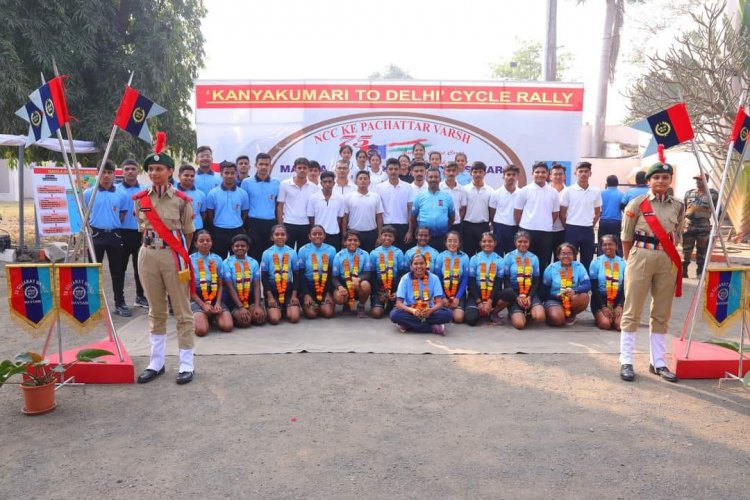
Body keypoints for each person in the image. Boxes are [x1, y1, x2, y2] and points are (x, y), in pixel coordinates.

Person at [133, 138, 196, 385]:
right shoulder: (140, 199)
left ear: (170, 172)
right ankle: (156, 363)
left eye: (159, 169)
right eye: (150, 169)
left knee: (182, 311)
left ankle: (186, 364)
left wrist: (179, 252)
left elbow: (189, 232)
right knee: (155, 310)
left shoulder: (181, 200)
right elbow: (141, 229)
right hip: (147, 255)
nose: (154, 173)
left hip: (173, 256)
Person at [619, 160, 685, 383]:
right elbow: (626, 237)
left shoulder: (678, 205)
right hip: (640, 256)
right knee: (632, 309)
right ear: (649, 181)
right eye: (656, 177)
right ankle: (626, 361)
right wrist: (631, 261)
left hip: (667, 260)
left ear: (670, 181)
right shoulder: (637, 203)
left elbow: (677, 232)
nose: (661, 181)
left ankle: (658, 362)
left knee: (661, 312)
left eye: (665, 178)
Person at [84, 159, 130, 317]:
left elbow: (122, 214)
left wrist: (111, 224)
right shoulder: (88, 193)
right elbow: (83, 214)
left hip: (115, 235)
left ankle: (120, 303)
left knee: (117, 271)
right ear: (97, 173)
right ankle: (92, 305)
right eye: (103, 172)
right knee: (93, 270)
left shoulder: (121, 194)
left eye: (110, 172)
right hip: (95, 235)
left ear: (114, 174)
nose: (106, 175)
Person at [389, 253, 453, 335]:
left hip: (428, 310)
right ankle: (432, 328)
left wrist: (431, 310)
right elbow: (399, 303)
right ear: (411, 266)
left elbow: (439, 303)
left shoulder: (434, 278)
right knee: (394, 315)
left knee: (448, 314)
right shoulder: (405, 279)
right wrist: (412, 310)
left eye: (421, 263)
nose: (419, 266)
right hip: (410, 310)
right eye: (415, 264)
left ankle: (408, 325)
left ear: (426, 264)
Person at [514, 161, 560, 271]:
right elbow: (517, 212)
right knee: (526, 262)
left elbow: (555, 214)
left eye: (543, 172)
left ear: (548, 174)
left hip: (546, 232)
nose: (540, 175)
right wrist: (526, 225)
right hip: (527, 231)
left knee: (543, 262)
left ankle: (540, 288)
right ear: (532, 173)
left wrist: (545, 223)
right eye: (537, 172)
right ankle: (525, 287)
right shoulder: (524, 190)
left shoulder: (553, 192)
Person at [117, 158, 148, 309]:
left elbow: (148, 214)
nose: (130, 171)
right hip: (121, 234)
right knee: (120, 268)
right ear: (122, 171)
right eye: (127, 169)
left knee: (140, 267)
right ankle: (120, 300)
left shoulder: (145, 190)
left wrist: (145, 232)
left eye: (133, 169)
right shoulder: (116, 190)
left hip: (140, 234)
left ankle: (140, 296)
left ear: (138, 171)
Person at [190, 230, 234, 335]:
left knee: (227, 326)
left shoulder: (217, 259)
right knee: (201, 331)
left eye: (208, 240)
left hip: (214, 295)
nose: (205, 243)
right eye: (201, 241)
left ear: (211, 242)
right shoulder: (189, 260)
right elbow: (187, 287)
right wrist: (202, 305)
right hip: (197, 296)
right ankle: (201, 316)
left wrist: (218, 303)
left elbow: (220, 284)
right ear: (196, 243)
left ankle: (210, 315)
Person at [560, 161, 602, 270]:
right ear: (575, 173)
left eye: (586, 171)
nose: (583, 174)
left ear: (590, 174)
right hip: (571, 229)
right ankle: (569, 283)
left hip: (587, 230)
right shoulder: (568, 191)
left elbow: (597, 212)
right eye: (581, 171)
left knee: (587, 260)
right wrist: (568, 226)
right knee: (569, 259)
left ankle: (584, 284)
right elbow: (562, 213)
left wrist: (591, 225)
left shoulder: (596, 191)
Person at [241, 153, 280, 263]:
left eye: (266, 164)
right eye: (261, 164)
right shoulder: (246, 182)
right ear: (255, 165)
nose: (263, 167)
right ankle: (255, 279)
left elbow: (278, 204)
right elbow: (244, 206)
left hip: (271, 223)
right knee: (254, 255)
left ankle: (268, 280)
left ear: (270, 166)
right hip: (253, 223)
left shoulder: (276, 183)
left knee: (270, 256)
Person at [465, 232, 511, 326]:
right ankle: (481, 310)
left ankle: (493, 313)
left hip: (493, 293)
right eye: (484, 241)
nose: (487, 244)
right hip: (477, 293)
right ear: (480, 243)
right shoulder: (474, 259)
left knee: (510, 292)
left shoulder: (500, 260)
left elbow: (498, 283)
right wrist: (479, 302)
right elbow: (472, 282)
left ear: (495, 243)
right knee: (471, 319)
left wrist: (490, 301)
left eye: (490, 241)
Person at [206, 161, 249, 258]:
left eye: (232, 173)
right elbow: (210, 213)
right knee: (219, 259)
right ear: (221, 174)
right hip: (219, 231)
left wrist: (237, 222)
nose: (229, 176)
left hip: (237, 230)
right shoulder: (213, 193)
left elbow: (244, 212)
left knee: (238, 259)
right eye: (226, 173)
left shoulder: (243, 193)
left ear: (236, 174)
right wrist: (217, 224)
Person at [503, 230, 545, 330]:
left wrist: (529, 296)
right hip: (514, 292)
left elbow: (536, 281)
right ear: (515, 243)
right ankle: (516, 312)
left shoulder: (534, 258)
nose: (523, 244)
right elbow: (506, 280)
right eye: (520, 241)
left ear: (529, 243)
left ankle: (528, 312)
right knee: (520, 325)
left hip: (529, 291)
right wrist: (517, 297)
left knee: (539, 317)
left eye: (525, 242)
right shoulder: (508, 257)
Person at [541, 243, 591, 327]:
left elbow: (587, 285)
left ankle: (571, 313)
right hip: (554, 299)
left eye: (569, 253)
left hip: (571, 298)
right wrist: (556, 296)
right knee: (558, 320)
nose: (566, 256)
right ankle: (554, 314)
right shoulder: (551, 268)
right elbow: (544, 292)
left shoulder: (579, 266)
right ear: (558, 255)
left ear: (574, 255)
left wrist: (574, 291)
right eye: (563, 253)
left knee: (584, 296)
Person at [261, 225, 301, 324]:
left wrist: (294, 296)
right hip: (272, 289)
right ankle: (277, 308)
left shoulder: (292, 252)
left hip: (287, 289)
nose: (280, 237)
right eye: (276, 234)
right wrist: (270, 297)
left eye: (282, 234)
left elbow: (296, 275)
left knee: (294, 318)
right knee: (274, 319)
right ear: (272, 237)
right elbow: (264, 277)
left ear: (287, 237)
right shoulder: (267, 253)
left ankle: (285, 308)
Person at [223, 233, 265, 328]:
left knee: (260, 319)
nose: (240, 248)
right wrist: (241, 307)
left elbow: (256, 286)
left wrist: (257, 305)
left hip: (249, 298)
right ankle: (232, 315)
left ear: (247, 248)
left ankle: (251, 310)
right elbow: (230, 287)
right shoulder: (226, 263)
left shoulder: (253, 262)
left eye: (243, 246)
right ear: (232, 248)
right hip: (233, 299)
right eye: (237, 246)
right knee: (244, 321)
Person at [682, 173, 718, 278]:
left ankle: (700, 272)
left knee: (702, 250)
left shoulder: (713, 195)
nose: (698, 181)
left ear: (706, 181)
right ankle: (684, 272)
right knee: (686, 250)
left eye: (701, 180)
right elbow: (685, 208)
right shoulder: (689, 193)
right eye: (697, 179)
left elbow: (717, 209)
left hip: (703, 226)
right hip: (689, 226)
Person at [277, 157, 318, 250]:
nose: (302, 170)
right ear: (294, 169)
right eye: (299, 168)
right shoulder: (285, 184)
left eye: (304, 168)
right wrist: (280, 225)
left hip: (306, 225)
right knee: (286, 254)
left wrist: (313, 226)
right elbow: (280, 206)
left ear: (308, 169)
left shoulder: (313, 187)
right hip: (288, 223)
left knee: (303, 254)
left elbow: (315, 208)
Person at [297, 225, 337, 319]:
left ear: (324, 235)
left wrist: (328, 292)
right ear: (309, 236)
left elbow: (331, 272)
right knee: (312, 314)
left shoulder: (331, 250)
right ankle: (313, 304)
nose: (317, 236)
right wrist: (306, 294)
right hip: (309, 286)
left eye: (320, 234)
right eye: (314, 234)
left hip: (324, 285)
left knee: (328, 313)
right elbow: (300, 274)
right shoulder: (303, 250)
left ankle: (323, 304)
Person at [410, 168, 455, 251]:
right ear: (426, 178)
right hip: (424, 238)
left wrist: (445, 228)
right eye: (431, 177)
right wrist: (419, 230)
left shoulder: (447, 197)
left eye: (436, 177)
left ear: (440, 179)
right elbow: (413, 217)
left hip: (442, 237)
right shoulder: (419, 196)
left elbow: (452, 217)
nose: (433, 179)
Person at [375, 158, 415, 251]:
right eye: (391, 169)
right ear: (386, 170)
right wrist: (379, 233)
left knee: (401, 255)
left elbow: (410, 210)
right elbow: (378, 213)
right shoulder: (379, 187)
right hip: (386, 226)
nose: (393, 172)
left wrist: (410, 231)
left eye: (396, 169)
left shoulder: (408, 187)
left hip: (403, 227)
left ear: (400, 170)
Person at [332, 230, 372, 317]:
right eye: (350, 240)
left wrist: (359, 279)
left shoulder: (365, 254)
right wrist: (340, 287)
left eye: (355, 240)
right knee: (339, 297)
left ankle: (361, 306)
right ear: (345, 242)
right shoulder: (339, 255)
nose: (352, 242)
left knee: (366, 285)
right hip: (344, 283)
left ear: (359, 242)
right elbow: (334, 277)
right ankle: (346, 305)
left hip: (358, 283)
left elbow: (368, 274)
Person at [589, 234, 625, 331]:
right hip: (600, 300)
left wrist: (620, 306)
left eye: (611, 244)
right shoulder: (595, 262)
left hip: (618, 299)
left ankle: (616, 317)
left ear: (616, 246)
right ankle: (602, 316)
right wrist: (603, 306)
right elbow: (594, 287)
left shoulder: (623, 263)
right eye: (604, 245)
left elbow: (627, 287)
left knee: (620, 326)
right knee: (606, 325)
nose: (607, 247)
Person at [369, 226, 407, 319]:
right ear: (380, 236)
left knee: (399, 312)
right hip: (379, 285)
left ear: (394, 238)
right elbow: (372, 275)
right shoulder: (374, 253)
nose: (387, 238)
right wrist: (378, 292)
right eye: (385, 235)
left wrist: (398, 291)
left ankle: (391, 304)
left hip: (394, 284)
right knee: (376, 314)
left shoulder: (398, 252)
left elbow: (401, 273)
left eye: (390, 236)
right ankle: (379, 303)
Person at [342, 170, 384, 252]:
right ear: (356, 181)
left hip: (371, 233)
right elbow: (345, 218)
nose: (363, 180)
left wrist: (379, 235)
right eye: (360, 178)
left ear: (369, 182)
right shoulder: (348, 197)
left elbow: (379, 217)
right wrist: (344, 236)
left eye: (365, 178)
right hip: (353, 233)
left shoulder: (376, 197)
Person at [436, 231, 470, 324]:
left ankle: (449, 312)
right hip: (443, 288)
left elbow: (465, 279)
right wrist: (442, 297)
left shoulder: (465, 257)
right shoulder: (440, 256)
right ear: (445, 243)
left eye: (455, 241)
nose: (452, 243)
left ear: (459, 243)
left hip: (458, 289)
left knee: (458, 319)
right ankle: (446, 311)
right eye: (449, 241)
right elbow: (437, 278)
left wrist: (457, 297)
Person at [462, 161, 495, 257]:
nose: (477, 174)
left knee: (484, 254)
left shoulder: (490, 190)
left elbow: (491, 210)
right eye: (475, 172)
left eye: (480, 172)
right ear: (471, 173)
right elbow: (462, 209)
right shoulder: (464, 190)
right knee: (468, 253)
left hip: (484, 226)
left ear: (485, 173)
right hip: (468, 226)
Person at [307, 171, 345, 250]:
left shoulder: (340, 198)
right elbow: (311, 217)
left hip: (334, 234)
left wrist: (332, 227)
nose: (327, 184)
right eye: (325, 182)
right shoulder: (313, 198)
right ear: (321, 183)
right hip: (318, 235)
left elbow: (339, 218)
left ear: (334, 183)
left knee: (332, 260)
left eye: (330, 182)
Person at [490, 164, 520, 256]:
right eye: (508, 174)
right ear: (503, 176)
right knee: (497, 255)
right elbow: (492, 212)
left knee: (512, 256)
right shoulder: (496, 193)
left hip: (515, 228)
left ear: (517, 177)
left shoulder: (521, 193)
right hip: (499, 228)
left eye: (514, 175)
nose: (511, 177)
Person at [176, 164, 207, 237]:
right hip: (179, 228)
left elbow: (203, 213)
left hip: (197, 228)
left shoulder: (201, 194)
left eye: (192, 176)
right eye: (186, 175)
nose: (189, 178)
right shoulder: (173, 192)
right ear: (179, 176)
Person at [439, 161, 468, 235]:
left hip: (457, 225)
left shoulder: (462, 189)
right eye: (448, 170)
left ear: (457, 172)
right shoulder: (438, 188)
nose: (451, 173)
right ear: (444, 172)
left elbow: (463, 209)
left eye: (453, 170)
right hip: (441, 224)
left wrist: (458, 221)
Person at [598, 175, 624, 256]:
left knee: (602, 243)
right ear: (617, 183)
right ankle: (618, 261)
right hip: (616, 221)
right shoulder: (621, 195)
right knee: (616, 243)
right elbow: (623, 208)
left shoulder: (601, 193)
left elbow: (598, 208)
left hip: (603, 221)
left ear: (607, 183)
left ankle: (601, 260)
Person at [549, 163, 567, 264]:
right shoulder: (545, 190)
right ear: (550, 176)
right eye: (555, 174)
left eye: (560, 174)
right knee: (545, 259)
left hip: (562, 231)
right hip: (547, 231)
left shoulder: (570, 192)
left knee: (561, 261)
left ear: (564, 176)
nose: (558, 176)